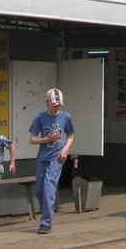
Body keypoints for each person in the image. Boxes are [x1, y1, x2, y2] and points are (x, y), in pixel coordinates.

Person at [29, 88, 75, 234]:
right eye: (54, 104)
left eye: (59, 105)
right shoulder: (40, 118)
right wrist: (46, 139)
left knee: (49, 187)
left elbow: (70, 136)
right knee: (39, 190)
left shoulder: (66, 117)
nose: (57, 107)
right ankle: (46, 212)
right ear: (47, 102)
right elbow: (32, 139)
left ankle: (46, 223)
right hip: (43, 157)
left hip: (57, 157)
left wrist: (65, 149)